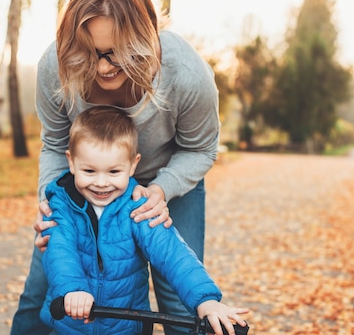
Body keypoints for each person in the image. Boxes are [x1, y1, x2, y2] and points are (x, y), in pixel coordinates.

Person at [10, 0, 221, 335]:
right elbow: (55, 144)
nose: (104, 67)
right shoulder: (55, 66)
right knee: (42, 285)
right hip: (84, 180)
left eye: (116, 53)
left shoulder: (185, 73)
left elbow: (201, 149)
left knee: (177, 296)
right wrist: (52, 201)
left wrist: (159, 191)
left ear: (146, 37)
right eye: (91, 54)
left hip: (168, 177)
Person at [40, 106, 248, 335]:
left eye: (113, 172)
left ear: (132, 165)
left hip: (127, 327)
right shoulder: (61, 205)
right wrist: (72, 291)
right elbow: (60, 251)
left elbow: (171, 252)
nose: (101, 182)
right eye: (89, 171)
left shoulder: (138, 206)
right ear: (71, 162)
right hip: (71, 326)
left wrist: (206, 300)